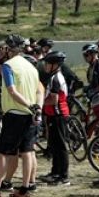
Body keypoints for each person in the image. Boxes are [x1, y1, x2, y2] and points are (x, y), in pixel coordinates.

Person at [0, 34, 43, 197]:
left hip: (15, 114)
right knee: (27, 151)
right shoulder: (31, 67)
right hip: (30, 116)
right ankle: (25, 188)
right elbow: (38, 90)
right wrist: (36, 108)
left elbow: (12, 91)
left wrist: (28, 105)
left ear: (8, 49)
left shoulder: (8, 66)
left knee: (2, 153)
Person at [38, 51, 72, 186]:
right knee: (54, 145)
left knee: (61, 146)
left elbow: (53, 100)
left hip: (58, 116)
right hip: (52, 115)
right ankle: (55, 172)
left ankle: (64, 176)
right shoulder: (53, 77)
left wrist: (38, 103)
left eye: (47, 63)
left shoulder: (56, 78)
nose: (45, 66)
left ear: (55, 65)